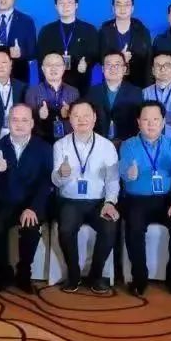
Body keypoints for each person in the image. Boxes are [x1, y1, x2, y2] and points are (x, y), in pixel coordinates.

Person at [118, 101, 171, 297]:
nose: (151, 124)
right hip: (137, 199)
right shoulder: (128, 145)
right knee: (134, 226)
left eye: (156, 119)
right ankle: (139, 278)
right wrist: (128, 173)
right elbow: (123, 168)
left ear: (163, 122)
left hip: (167, 200)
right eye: (146, 120)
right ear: (138, 122)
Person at [51, 101, 119, 294]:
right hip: (70, 201)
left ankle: (96, 276)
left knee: (110, 227)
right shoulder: (60, 145)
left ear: (95, 118)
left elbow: (113, 180)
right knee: (66, 230)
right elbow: (55, 181)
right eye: (76, 116)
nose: (81, 120)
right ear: (70, 119)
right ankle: (73, 275)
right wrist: (61, 174)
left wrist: (110, 202)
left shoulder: (107, 146)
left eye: (86, 115)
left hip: (99, 201)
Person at [0, 104, 53, 293]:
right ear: (8, 122)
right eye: (14, 120)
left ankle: (24, 273)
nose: (19, 124)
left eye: (24, 120)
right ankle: (3, 273)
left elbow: (47, 182)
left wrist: (34, 208)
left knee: (31, 227)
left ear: (32, 123)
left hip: (32, 203)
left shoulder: (44, 148)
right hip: (5, 203)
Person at [37, 0, 100, 95]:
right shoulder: (46, 31)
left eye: (70, 2)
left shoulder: (89, 30)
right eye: (61, 3)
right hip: (53, 85)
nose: (66, 6)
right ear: (56, 6)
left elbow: (95, 55)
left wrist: (87, 63)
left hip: (80, 84)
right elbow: (40, 58)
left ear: (76, 5)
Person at [86, 51, 144, 143]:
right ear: (102, 69)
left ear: (124, 69)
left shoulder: (136, 92)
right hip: (98, 142)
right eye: (108, 65)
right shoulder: (92, 92)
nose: (112, 68)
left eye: (117, 65)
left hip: (127, 142)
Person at [99, 0, 153, 89]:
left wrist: (148, 86)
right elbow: (99, 58)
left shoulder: (142, 32)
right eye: (118, 4)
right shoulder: (104, 32)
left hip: (137, 83)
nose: (122, 8)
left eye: (127, 4)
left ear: (132, 8)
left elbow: (148, 61)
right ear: (113, 8)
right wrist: (120, 58)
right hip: (111, 83)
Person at [24, 52, 80, 142]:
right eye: (49, 65)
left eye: (57, 65)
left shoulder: (73, 92)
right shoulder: (32, 92)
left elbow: (79, 120)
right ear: (43, 69)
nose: (53, 68)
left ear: (63, 68)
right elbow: (26, 121)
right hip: (42, 140)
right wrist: (39, 115)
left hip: (68, 141)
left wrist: (69, 114)